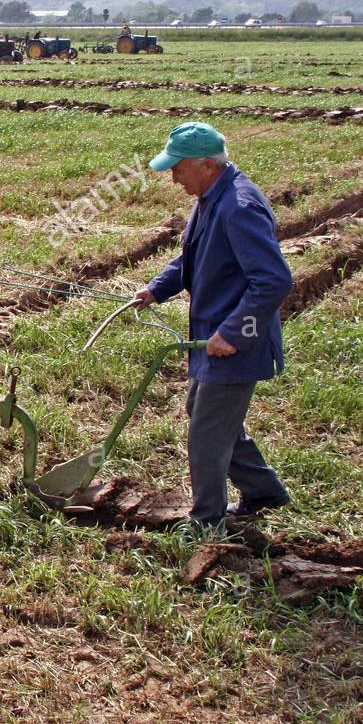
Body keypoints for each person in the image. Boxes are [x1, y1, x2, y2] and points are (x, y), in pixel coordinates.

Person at [131, 122, 293, 530]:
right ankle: (263, 490)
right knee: (206, 415)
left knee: (206, 433)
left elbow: (273, 280)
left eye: (178, 169)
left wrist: (234, 332)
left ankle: (206, 521)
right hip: (212, 333)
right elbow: (191, 257)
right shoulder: (211, 196)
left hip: (236, 340)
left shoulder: (238, 207)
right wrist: (156, 290)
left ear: (206, 165)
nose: (174, 178)